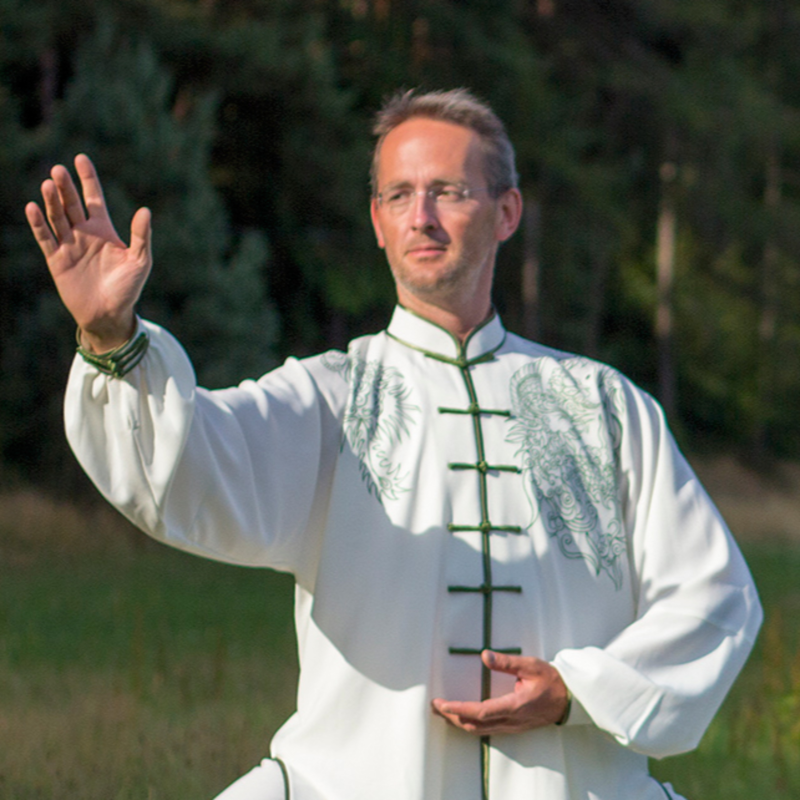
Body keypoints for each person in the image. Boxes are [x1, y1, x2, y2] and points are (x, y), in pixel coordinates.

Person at [26, 88, 762, 800]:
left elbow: (714, 594)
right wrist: (110, 338)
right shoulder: (328, 399)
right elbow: (189, 469)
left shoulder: (605, 405)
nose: (423, 217)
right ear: (376, 221)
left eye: (450, 191)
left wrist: (579, 691)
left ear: (507, 212)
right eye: (400, 195)